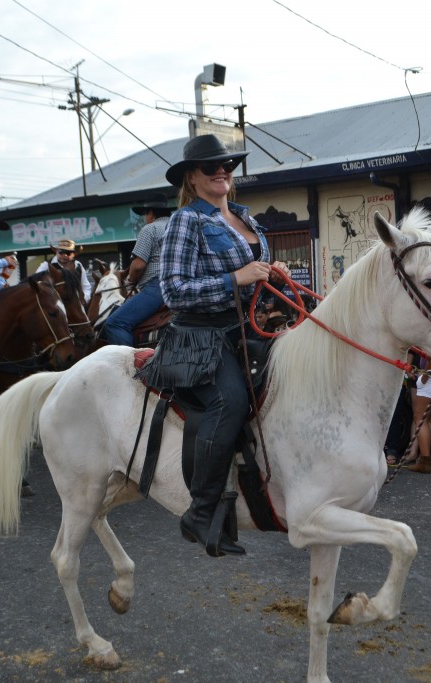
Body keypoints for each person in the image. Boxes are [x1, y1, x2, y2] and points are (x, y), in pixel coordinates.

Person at [135, 134, 289, 558]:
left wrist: (269, 275)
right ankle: (201, 512)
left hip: (248, 329)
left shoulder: (246, 219)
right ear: (192, 177)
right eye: (211, 167)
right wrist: (235, 279)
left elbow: (252, 278)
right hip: (201, 337)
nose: (222, 172)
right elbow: (174, 290)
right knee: (230, 403)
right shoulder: (186, 221)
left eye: (227, 165)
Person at [103, 197, 173, 346]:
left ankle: (131, 365)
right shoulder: (180, 226)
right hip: (185, 283)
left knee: (115, 323)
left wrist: (131, 280)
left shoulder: (150, 229)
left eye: (144, 214)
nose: (145, 218)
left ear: (151, 213)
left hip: (159, 288)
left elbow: (138, 266)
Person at [36, 239, 93, 303]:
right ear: (56, 251)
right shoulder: (46, 266)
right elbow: (37, 284)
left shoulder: (78, 266)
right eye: (61, 252)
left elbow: (86, 287)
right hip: (55, 307)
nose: (65, 255)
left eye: (68, 253)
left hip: (76, 305)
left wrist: (84, 300)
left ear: (73, 254)